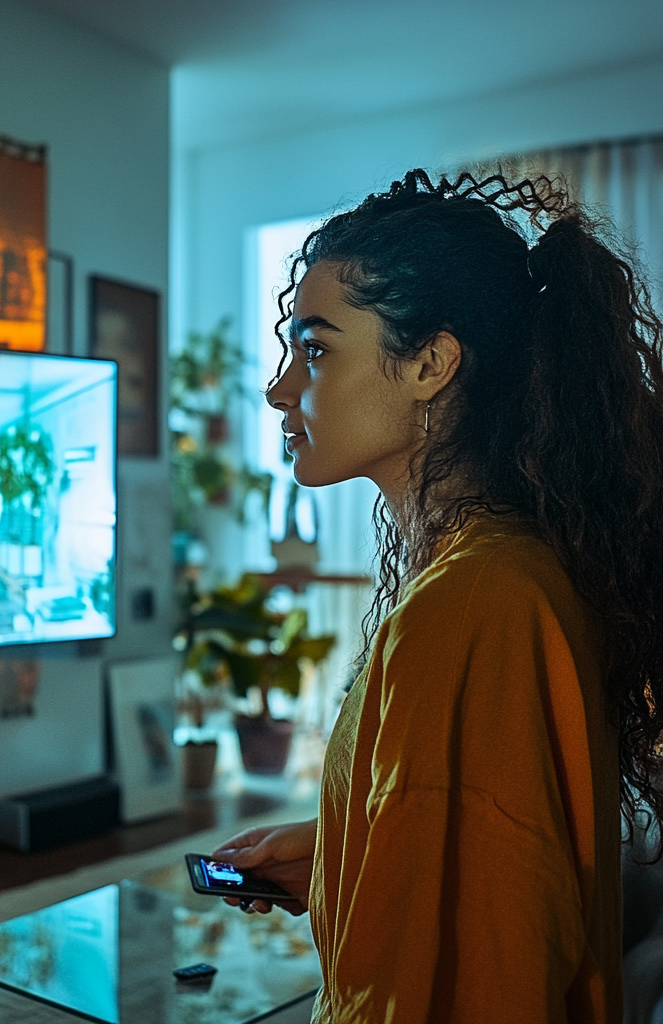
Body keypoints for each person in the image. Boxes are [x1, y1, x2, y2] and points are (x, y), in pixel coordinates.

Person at [212, 170, 663, 1024]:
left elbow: (484, 975)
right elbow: (497, 861)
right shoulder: (508, 571)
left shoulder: (470, 608)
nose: (279, 388)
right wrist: (344, 855)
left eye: (315, 349)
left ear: (430, 363)